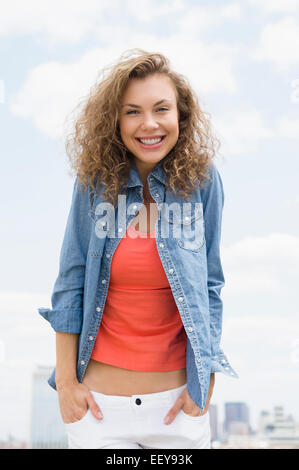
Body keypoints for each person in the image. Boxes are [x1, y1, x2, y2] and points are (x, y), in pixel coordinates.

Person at [38, 48, 238, 449]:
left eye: (161, 109)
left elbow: (210, 284)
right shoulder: (94, 182)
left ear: (180, 115)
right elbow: (71, 280)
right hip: (97, 411)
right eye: (132, 111)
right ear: (115, 120)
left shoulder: (201, 180)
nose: (149, 124)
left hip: (178, 411)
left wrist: (206, 377)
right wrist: (65, 383)